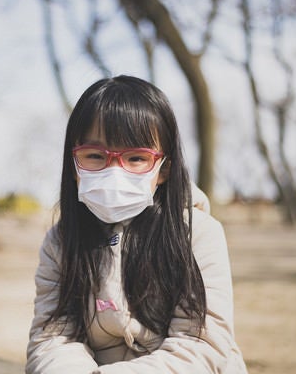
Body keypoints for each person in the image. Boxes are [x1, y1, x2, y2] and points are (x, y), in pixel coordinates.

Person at [26, 75, 248, 373]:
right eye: (94, 155)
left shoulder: (199, 234)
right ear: (73, 163)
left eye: (135, 158)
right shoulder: (61, 242)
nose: (115, 170)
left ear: (164, 168)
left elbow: (201, 344)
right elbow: (53, 337)